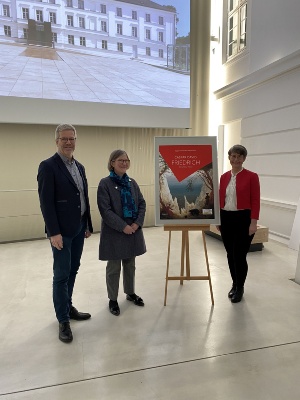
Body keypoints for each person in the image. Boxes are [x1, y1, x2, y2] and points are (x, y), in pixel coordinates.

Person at [37, 124, 93, 343]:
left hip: (79, 227)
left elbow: (83, 197)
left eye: (72, 138)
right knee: (61, 275)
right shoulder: (48, 166)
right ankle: (63, 320)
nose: (68, 142)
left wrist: (87, 224)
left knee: (73, 269)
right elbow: (46, 203)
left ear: (76, 140)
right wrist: (54, 232)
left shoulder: (79, 167)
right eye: (64, 139)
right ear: (57, 141)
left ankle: (68, 307)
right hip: (61, 232)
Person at [97, 149, 146, 316]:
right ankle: (112, 299)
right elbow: (105, 210)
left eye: (126, 160)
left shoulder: (132, 183)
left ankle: (130, 293)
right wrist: (123, 226)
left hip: (132, 231)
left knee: (130, 264)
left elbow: (142, 204)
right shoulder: (105, 184)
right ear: (112, 163)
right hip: (115, 233)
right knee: (113, 267)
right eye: (120, 160)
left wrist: (137, 223)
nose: (124, 163)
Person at [219, 144, 260, 303]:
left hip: (244, 219)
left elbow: (255, 201)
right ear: (229, 158)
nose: (236, 159)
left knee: (239, 255)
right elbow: (219, 199)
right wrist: (217, 220)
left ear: (243, 159)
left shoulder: (252, 176)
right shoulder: (223, 177)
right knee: (230, 254)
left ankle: (240, 287)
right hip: (226, 218)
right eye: (233, 156)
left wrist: (253, 222)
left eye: (239, 156)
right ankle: (234, 284)